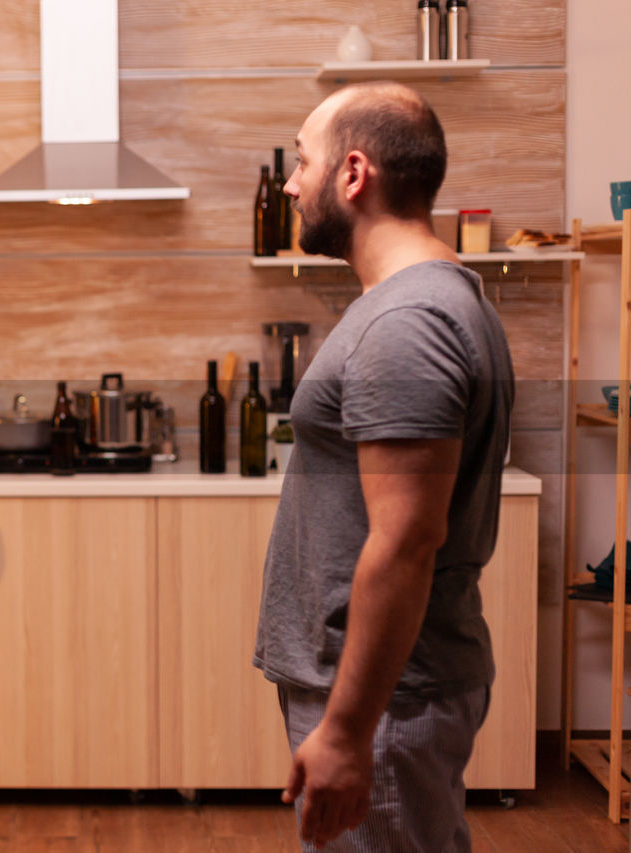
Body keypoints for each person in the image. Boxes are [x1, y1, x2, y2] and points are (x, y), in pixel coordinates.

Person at [252, 82, 514, 851]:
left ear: (353, 173)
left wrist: (346, 729)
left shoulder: (407, 321)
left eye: (303, 161)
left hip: (383, 699)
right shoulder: (420, 300)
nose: (292, 184)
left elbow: (406, 541)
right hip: (383, 693)